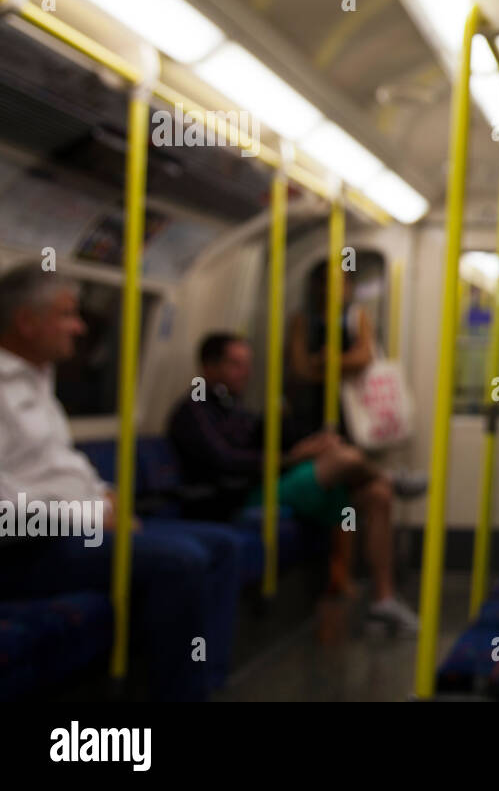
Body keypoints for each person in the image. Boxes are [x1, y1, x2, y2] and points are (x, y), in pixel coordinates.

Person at [0, 262, 240, 700]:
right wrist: (90, 515)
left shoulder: (38, 380)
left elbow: (58, 463)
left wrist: (103, 494)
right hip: (33, 549)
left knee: (223, 545)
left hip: (84, 528)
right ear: (26, 321)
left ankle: (207, 683)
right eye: (67, 314)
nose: (78, 328)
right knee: (180, 561)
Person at [166, 332, 422, 636]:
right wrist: (293, 458)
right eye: (235, 365)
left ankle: (384, 601)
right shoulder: (193, 412)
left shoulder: (233, 407)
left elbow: (268, 438)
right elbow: (228, 462)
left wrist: (308, 445)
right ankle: (389, 475)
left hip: (274, 483)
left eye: (247, 364)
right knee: (346, 460)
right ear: (210, 368)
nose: (244, 372)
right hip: (243, 497)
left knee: (378, 495)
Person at [287, 260, 374, 437]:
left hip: (351, 403)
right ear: (320, 285)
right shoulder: (303, 320)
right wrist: (344, 367)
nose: (341, 288)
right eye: (333, 282)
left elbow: (365, 357)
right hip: (312, 403)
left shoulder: (356, 316)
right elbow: (300, 369)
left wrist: (326, 361)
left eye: (344, 281)